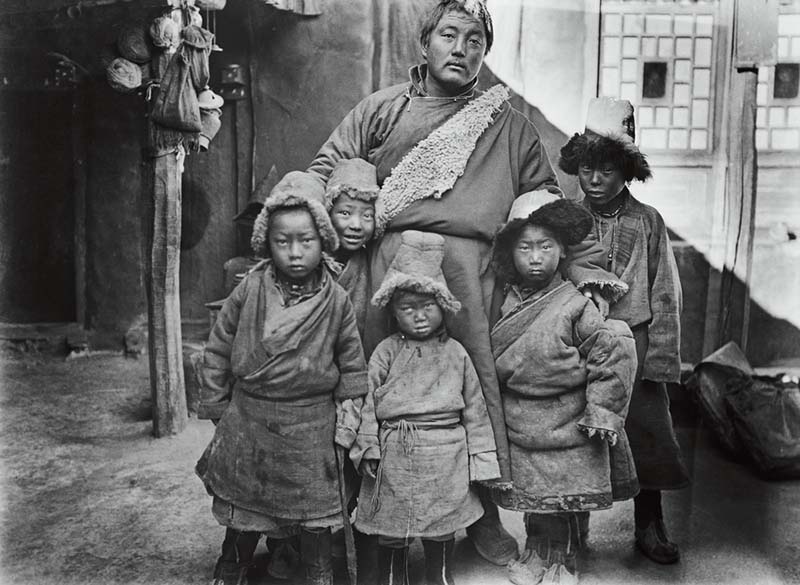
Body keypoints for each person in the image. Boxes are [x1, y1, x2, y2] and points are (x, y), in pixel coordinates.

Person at [307, 0, 625, 565]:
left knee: (477, 391)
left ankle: (482, 515)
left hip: (476, 278)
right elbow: (324, 171)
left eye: (475, 40)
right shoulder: (381, 110)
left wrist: (586, 270)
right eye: (449, 35)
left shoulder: (508, 123)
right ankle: (362, 511)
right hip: (388, 269)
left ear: (485, 52)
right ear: (424, 44)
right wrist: (314, 230)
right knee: (380, 388)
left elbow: (544, 205)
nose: (461, 48)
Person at [194, 171, 369, 585]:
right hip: (251, 417)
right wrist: (218, 405)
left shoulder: (336, 300)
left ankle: (317, 570)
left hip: (311, 425)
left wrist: (349, 413)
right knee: (243, 502)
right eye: (282, 241)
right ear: (265, 241)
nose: (294, 253)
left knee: (314, 511)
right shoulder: (250, 288)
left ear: (323, 239)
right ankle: (232, 564)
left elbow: (351, 362)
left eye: (305, 241)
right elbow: (218, 347)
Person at [558, 97, 690, 564]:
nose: (595, 180)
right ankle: (574, 524)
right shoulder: (566, 217)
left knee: (647, 431)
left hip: (634, 342)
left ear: (626, 172)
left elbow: (665, 294)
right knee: (580, 434)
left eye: (607, 171)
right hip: (580, 343)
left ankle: (650, 523)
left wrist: (660, 357)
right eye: (588, 169)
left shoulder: (647, 221)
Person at [489, 191, 639, 585]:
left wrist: (602, 411)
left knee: (564, 498)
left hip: (570, 418)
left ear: (562, 251)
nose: (535, 257)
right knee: (534, 499)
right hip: (521, 417)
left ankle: (564, 559)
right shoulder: (501, 301)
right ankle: (537, 552)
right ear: (510, 251)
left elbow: (611, 354)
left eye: (546, 246)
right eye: (525, 247)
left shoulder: (576, 303)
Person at [351, 230, 500, 585]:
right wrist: (368, 445)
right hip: (395, 452)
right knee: (391, 525)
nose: (419, 316)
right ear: (393, 310)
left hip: (445, 453)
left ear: (443, 306)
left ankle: (440, 576)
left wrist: (480, 459)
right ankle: (393, 576)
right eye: (408, 308)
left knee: (442, 525)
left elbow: (476, 410)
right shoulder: (385, 352)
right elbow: (368, 401)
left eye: (428, 306)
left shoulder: (457, 353)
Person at [325, 158, 379, 338]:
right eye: (345, 213)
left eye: (367, 215)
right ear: (328, 213)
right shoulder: (311, 261)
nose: (356, 225)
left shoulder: (372, 264)